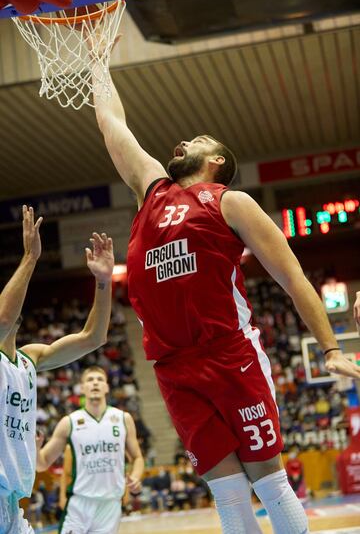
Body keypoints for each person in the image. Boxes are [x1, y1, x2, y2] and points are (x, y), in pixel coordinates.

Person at [90, 39, 360, 534]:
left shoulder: (230, 203)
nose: (185, 142)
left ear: (215, 161)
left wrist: (328, 349)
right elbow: (113, 124)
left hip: (228, 354)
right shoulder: (151, 189)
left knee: (268, 482)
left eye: (198, 140)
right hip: (172, 367)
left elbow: (293, 275)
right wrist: (94, 62)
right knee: (229, 497)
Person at [0, 205, 114, 534]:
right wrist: (30, 258)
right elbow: (4, 319)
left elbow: (94, 337)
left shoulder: (29, 358)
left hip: (10, 502)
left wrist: (103, 282)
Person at [36, 365, 144, 534]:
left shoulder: (123, 419)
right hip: (80, 504)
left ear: (107, 387)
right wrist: (35, 449)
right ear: (82, 388)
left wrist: (136, 478)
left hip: (111, 504)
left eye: (100, 380)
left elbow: (137, 457)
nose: (95, 383)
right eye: (90, 380)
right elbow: (41, 464)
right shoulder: (69, 422)